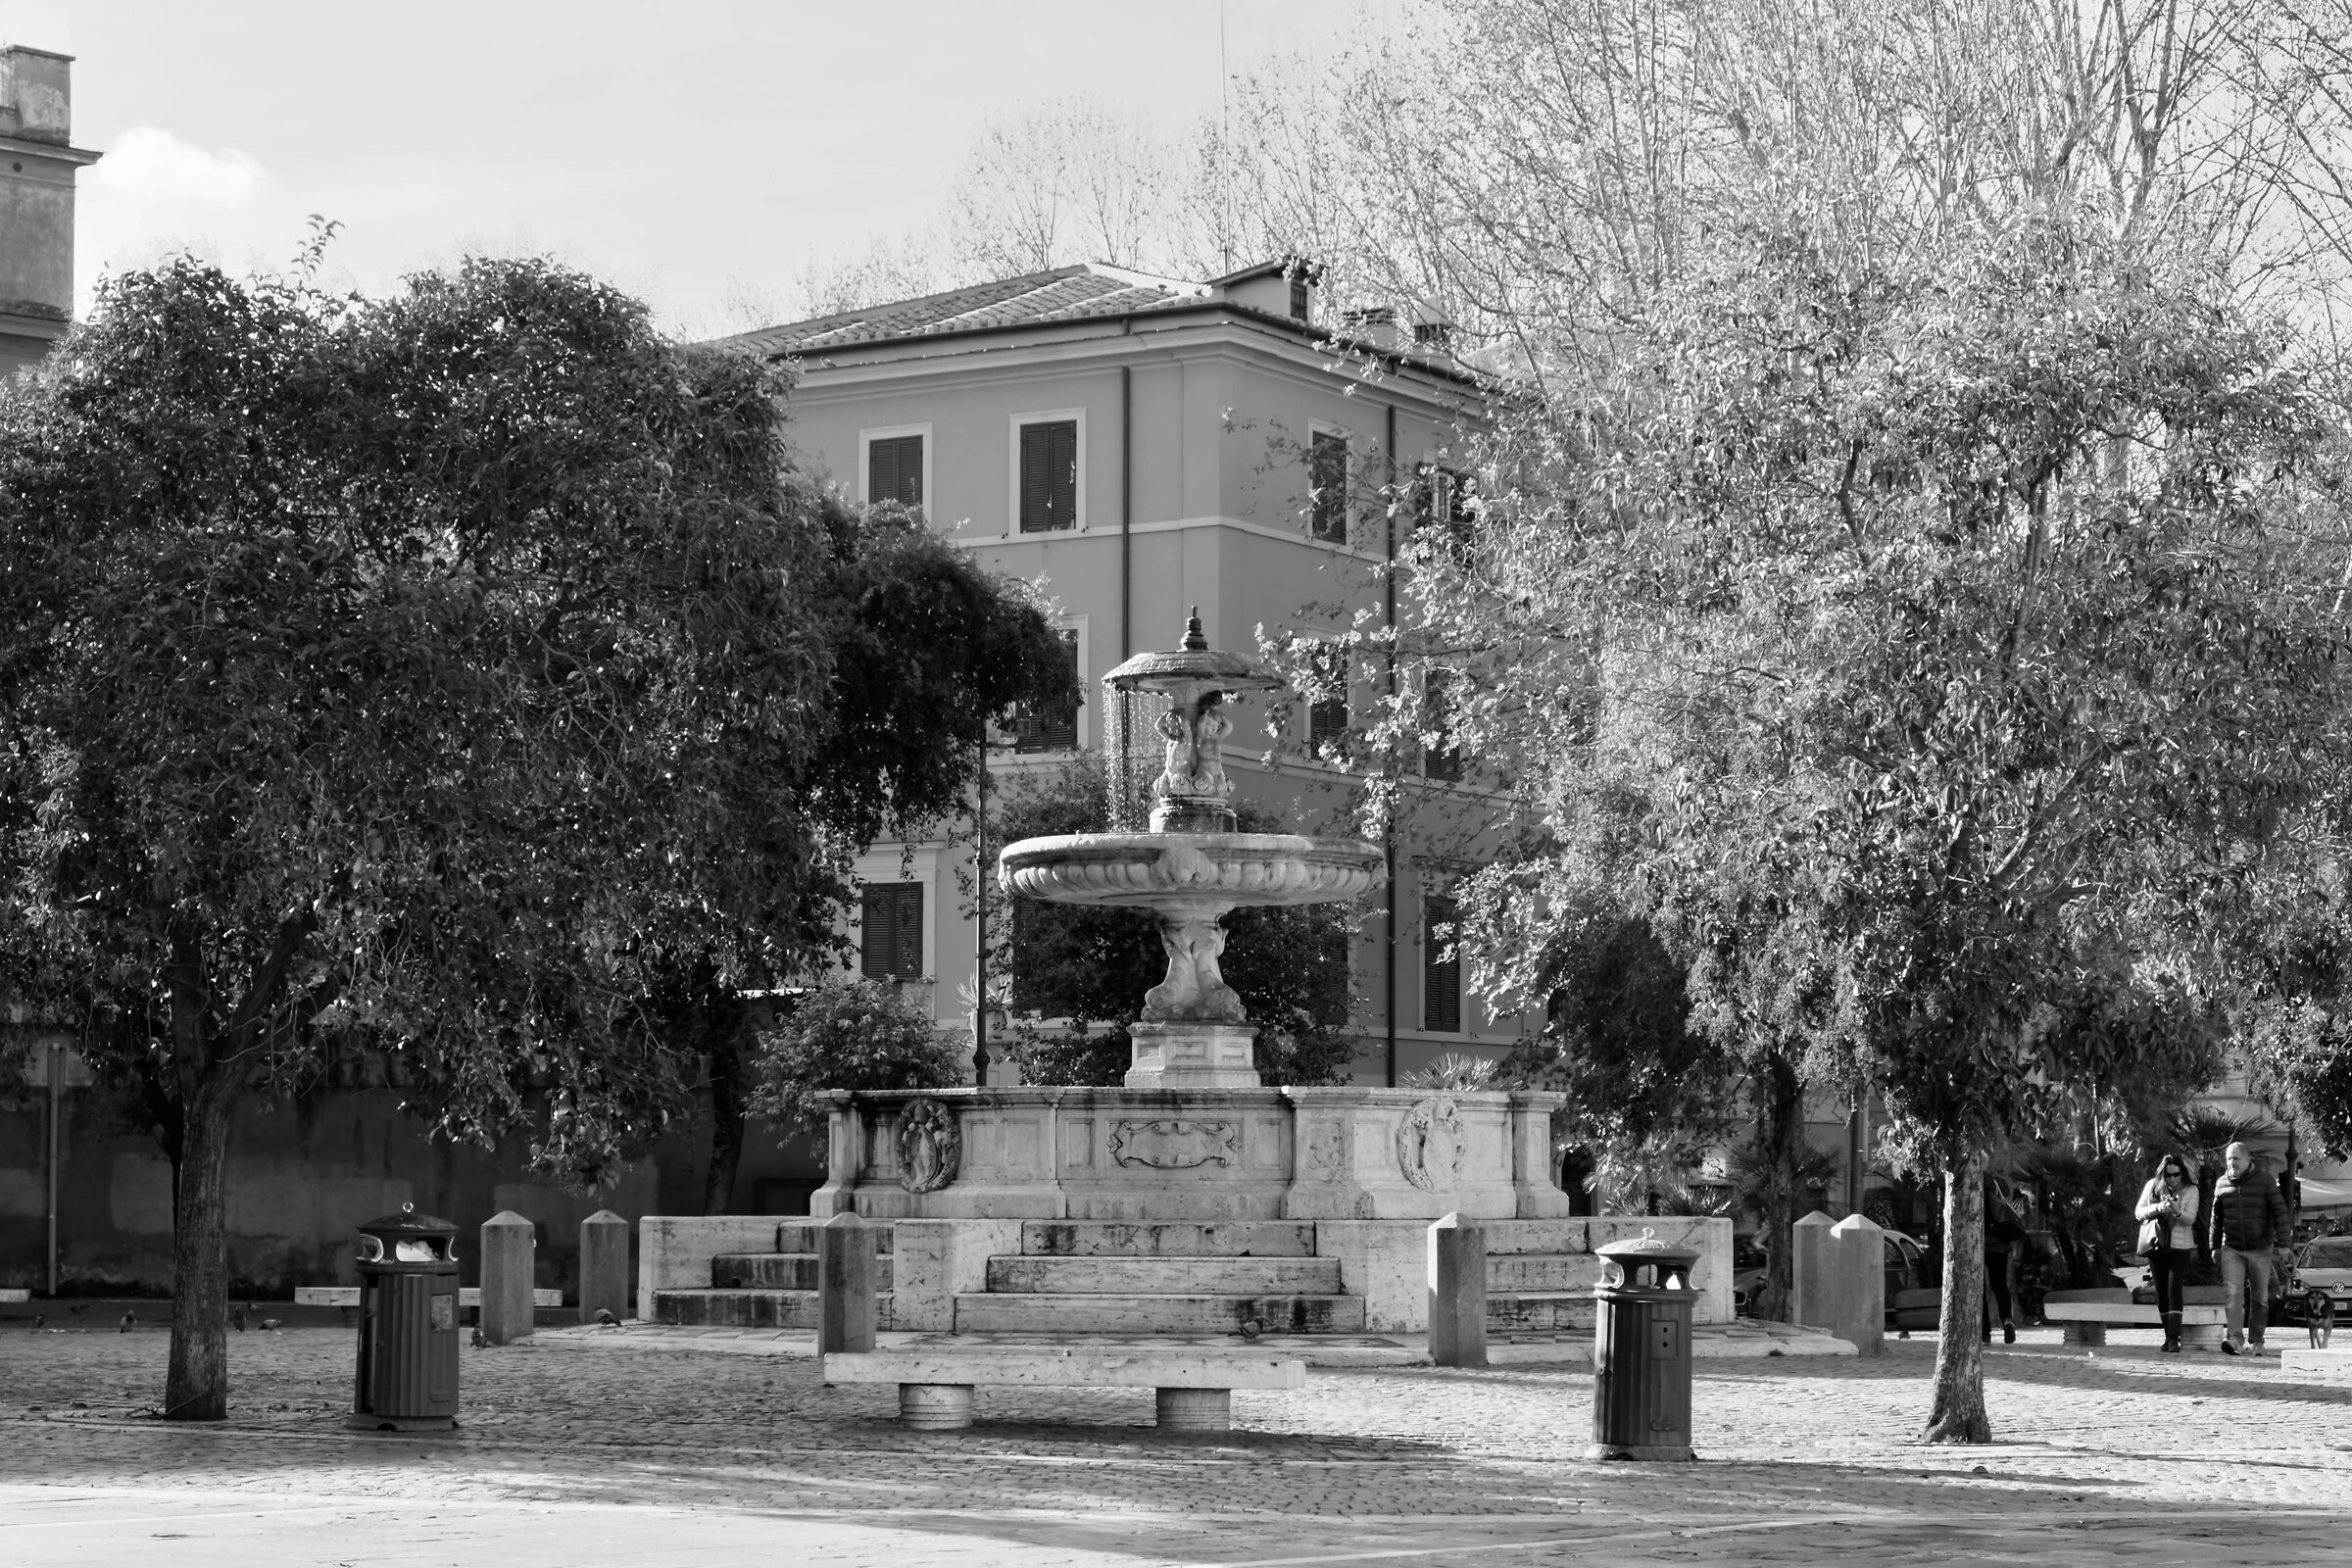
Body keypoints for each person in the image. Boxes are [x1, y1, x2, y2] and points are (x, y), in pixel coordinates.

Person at [2208, 1141, 2293, 1355]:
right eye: (2228, 1159)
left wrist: (2284, 1244)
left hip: (2260, 1248)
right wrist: (2214, 1246)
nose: (2231, 1163)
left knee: (2260, 1296)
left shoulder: (2265, 1181)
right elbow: (2216, 1219)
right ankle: (2235, 1339)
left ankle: (2257, 1341)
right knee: (2233, 1293)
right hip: (2232, 1247)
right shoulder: (2221, 1183)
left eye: (2236, 1158)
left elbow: (2280, 1212)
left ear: (2248, 1160)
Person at [2134, 1153, 2198, 1352]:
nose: (2172, 1179)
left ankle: (2173, 1338)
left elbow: (2190, 1219)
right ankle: (2167, 1335)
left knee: (2174, 1288)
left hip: (2181, 1246)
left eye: (2176, 1174)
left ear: (2182, 1173)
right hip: (2157, 1245)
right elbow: (2139, 1212)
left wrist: (2177, 1211)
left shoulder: (2191, 1190)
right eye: (2168, 1175)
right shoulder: (2153, 1186)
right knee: (2161, 1290)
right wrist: (2158, 1208)